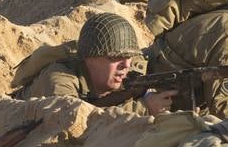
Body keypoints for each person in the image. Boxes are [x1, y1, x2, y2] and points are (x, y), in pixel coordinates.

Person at [16, 13, 171, 116]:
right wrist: (143, 108)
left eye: (129, 57)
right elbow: (72, 126)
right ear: (89, 58)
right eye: (115, 58)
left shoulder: (126, 69)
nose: (125, 65)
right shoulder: (59, 80)